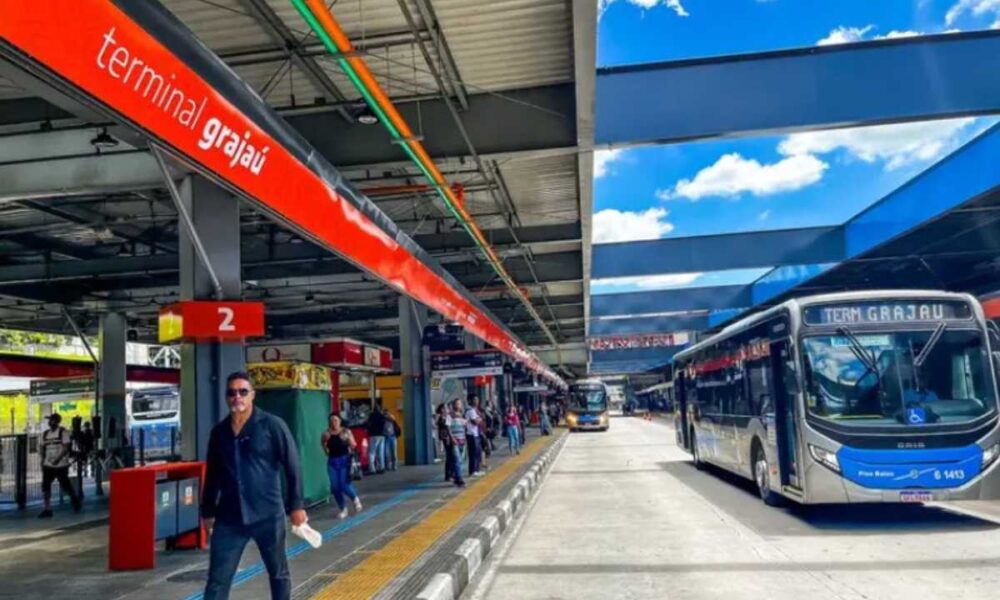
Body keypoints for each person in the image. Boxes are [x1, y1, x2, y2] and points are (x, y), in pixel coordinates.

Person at [202, 372, 307, 600]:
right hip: (229, 518)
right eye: (231, 392)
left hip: (268, 515)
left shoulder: (272, 426)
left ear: (252, 395)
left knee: (278, 573)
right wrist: (208, 510)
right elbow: (212, 474)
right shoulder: (219, 433)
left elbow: (293, 466)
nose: (237, 397)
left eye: (242, 391)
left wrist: (296, 506)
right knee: (217, 580)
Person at [38, 413, 81, 518]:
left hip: (61, 465)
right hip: (48, 465)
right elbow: (42, 448)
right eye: (50, 420)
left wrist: (57, 459)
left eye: (52, 420)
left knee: (65, 485)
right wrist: (43, 461)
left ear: (57, 422)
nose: (50, 422)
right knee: (45, 486)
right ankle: (47, 508)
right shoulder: (45, 434)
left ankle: (74, 499)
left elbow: (66, 448)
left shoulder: (63, 432)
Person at [322, 413, 363, 519]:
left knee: (344, 484)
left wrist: (348, 440)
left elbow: (354, 445)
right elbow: (324, 445)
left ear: (340, 421)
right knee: (335, 487)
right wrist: (326, 449)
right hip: (332, 461)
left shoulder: (346, 432)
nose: (333, 423)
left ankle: (355, 499)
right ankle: (343, 508)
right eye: (331, 421)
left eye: (335, 420)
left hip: (345, 460)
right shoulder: (326, 434)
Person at [436, 404, 465, 487]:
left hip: (449, 438)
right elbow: (442, 426)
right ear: (441, 409)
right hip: (447, 439)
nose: (447, 409)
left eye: (447, 407)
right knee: (451, 457)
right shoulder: (442, 417)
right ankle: (451, 475)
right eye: (445, 408)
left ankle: (450, 474)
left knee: (451, 457)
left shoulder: (448, 416)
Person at [449, 399, 469, 479]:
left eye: (459, 404)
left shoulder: (462, 415)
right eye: (457, 404)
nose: (458, 405)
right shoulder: (450, 415)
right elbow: (448, 427)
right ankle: (459, 478)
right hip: (455, 440)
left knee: (460, 460)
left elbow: (465, 426)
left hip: (462, 439)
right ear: (453, 405)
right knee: (457, 459)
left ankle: (455, 474)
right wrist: (452, 438)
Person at [465, 397, 484, 477]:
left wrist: (479, 419)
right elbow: (475, 422)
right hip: (472, 434)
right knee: (473, 453)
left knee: (477, 453)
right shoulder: (471, 411)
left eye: (477, 399)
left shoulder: (475, 411)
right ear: (470, 401)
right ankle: (473, 470)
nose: (476, 401)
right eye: (474, 400)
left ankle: (476, 469)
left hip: (476, 434)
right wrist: (479, 419)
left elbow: (479, 419)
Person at [366, 404, 386, 475]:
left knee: (372, 452)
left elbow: (368, 424)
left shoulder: (371, 416)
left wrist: (368, 430)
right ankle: (381, 468)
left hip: (373, 435)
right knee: (380, 452)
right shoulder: (382, 416)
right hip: (382, 435)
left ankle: (372, 469)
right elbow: (384, 424)